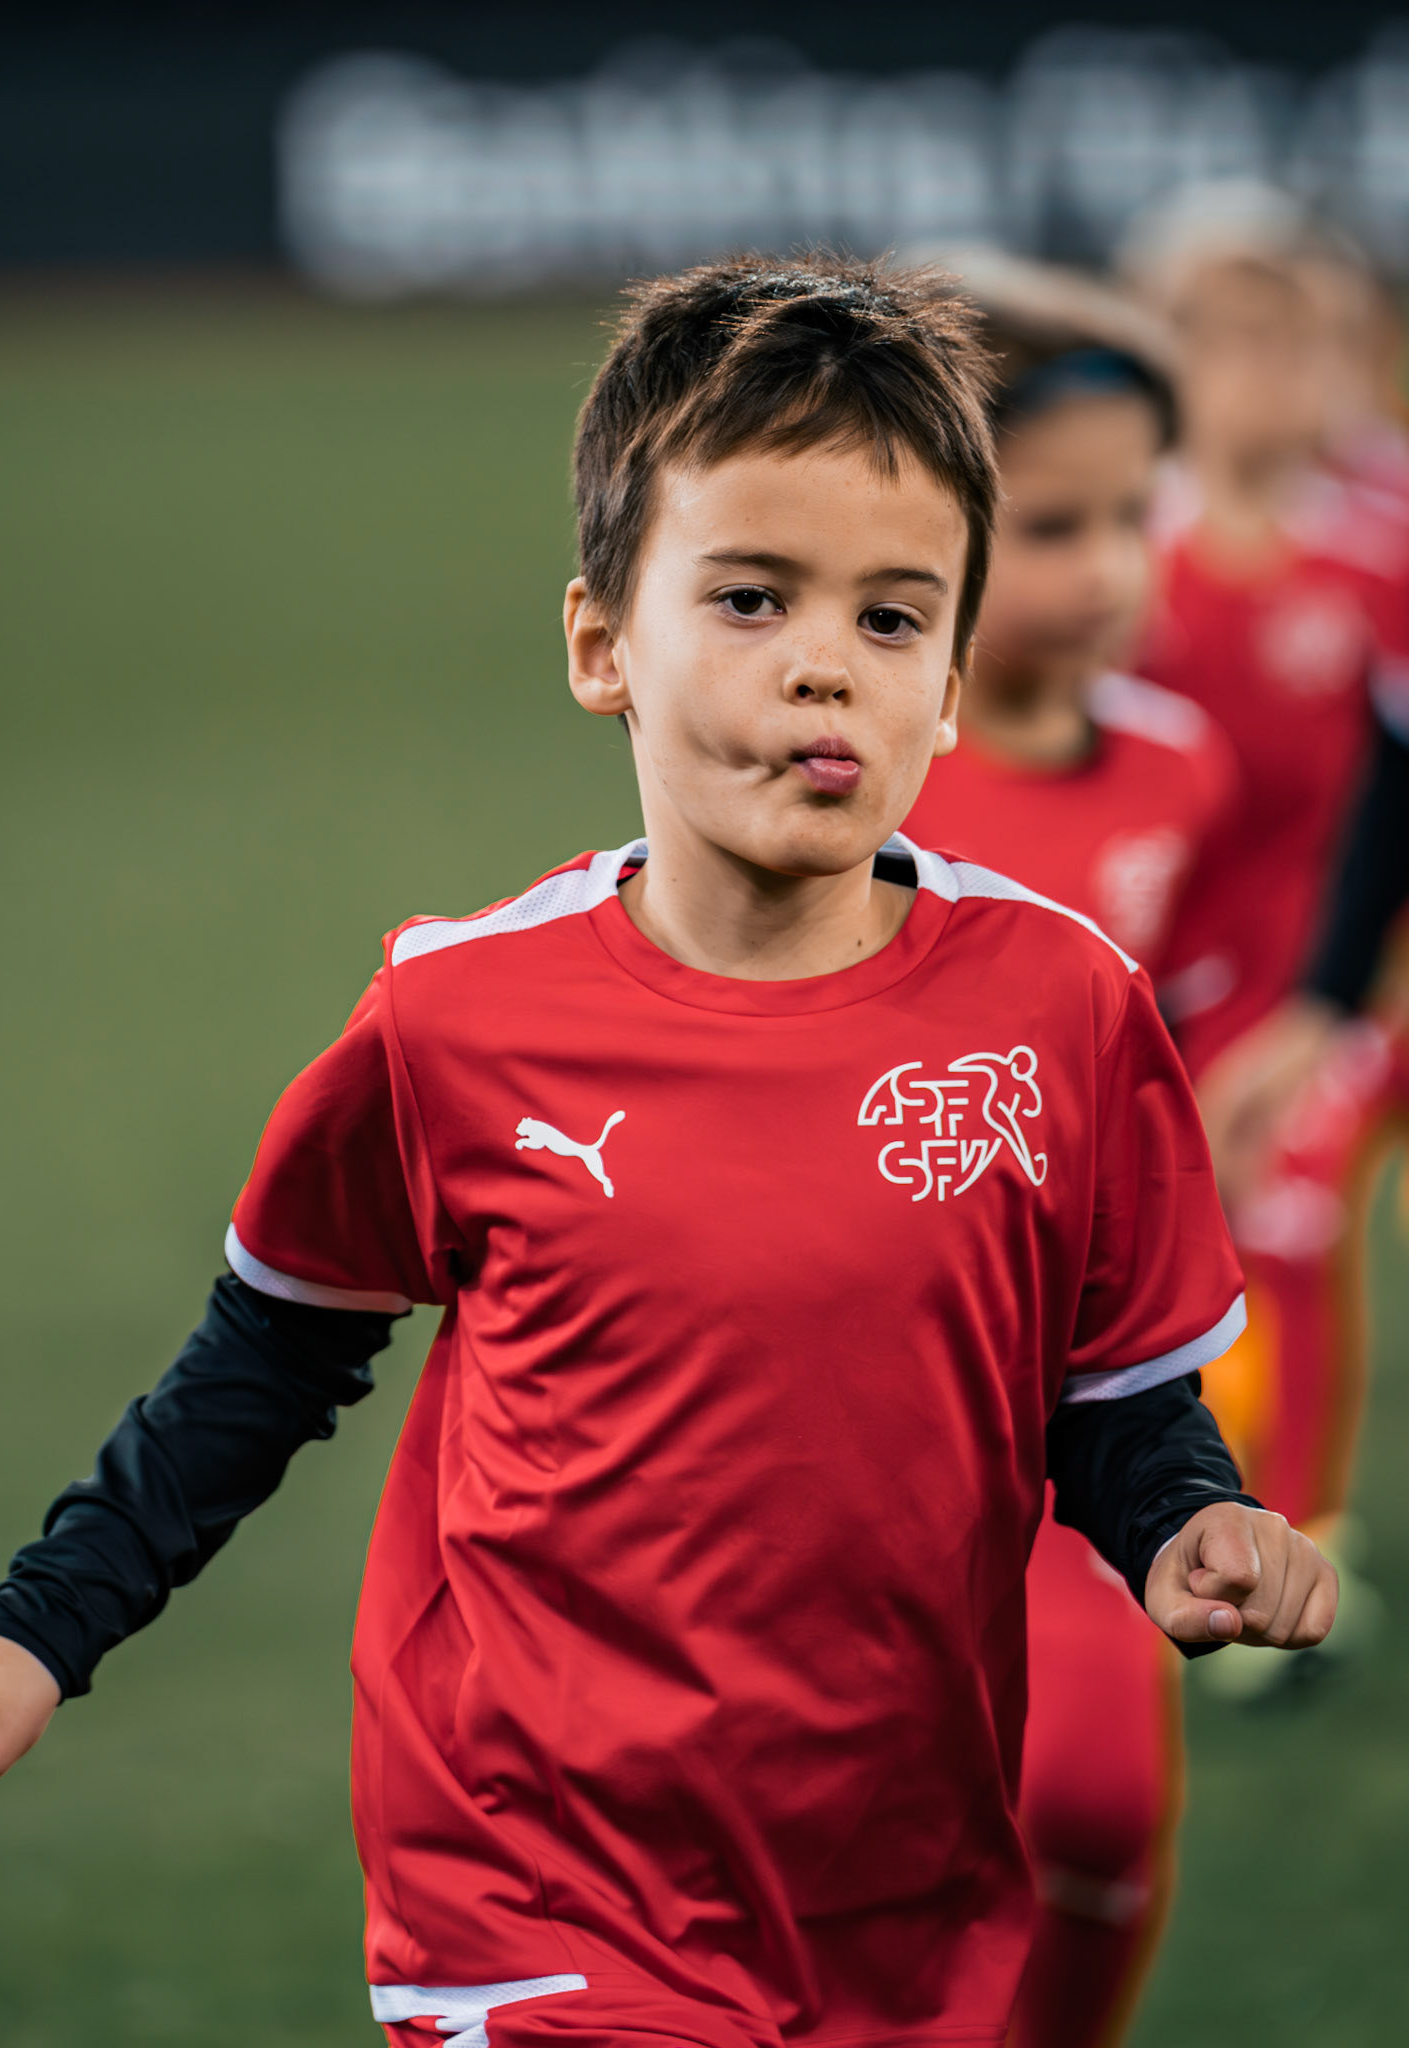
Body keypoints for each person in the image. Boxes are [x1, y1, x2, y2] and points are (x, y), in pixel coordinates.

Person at [0, 257, 1337, 2048]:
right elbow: (267, 1355)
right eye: (750, 597)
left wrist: (1187, 1520)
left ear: (952, 673)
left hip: (891, 1893)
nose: (824, 663)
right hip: (533, 1892)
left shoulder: (1065, 1007)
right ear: (604, 643)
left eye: (894, 618)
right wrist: (32, 1633)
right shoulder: (460, 1017)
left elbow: (1107, 1391)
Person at [902, 255, 1234, 2048]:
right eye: (1050, 525)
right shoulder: (847, 784)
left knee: (1100, 1807)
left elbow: (1158, 1032)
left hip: (1079, 1401)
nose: (1106, 568)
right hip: (863, 1415)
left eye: (1133, 516)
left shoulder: (1175, 770)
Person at [1121, 192, 1409, 1572]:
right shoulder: (1113, 562)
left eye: (1286, 340)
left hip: (1345, 979)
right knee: (1187, 1229)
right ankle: (1233, 1535)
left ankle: (1295, 1539)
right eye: (1221, 338)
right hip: (1193, 982)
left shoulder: (1379, 550)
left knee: (1288, 1195)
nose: (1258, 372)